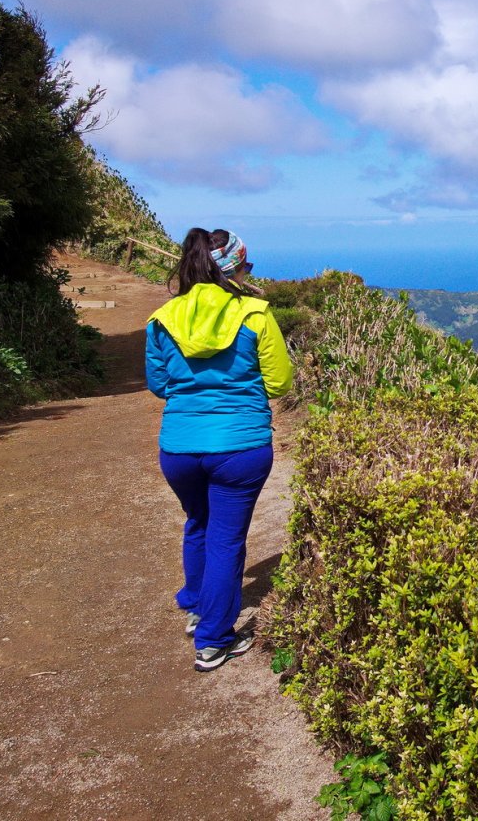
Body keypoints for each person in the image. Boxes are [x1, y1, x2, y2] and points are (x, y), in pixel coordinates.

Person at [146, 227, 292, 671]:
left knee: (198, 523)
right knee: (227, 539)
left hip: (180, 446)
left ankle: (196, 605)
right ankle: (213, 640)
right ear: (232, 268)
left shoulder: (163, 318)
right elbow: (280, 382)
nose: (250, 272)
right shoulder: (255, 315)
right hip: (240, 445)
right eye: (247, 265)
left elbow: (159, 385)